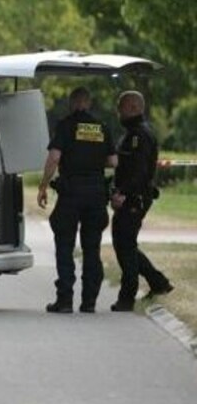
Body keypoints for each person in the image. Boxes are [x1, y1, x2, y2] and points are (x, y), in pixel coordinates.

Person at [38, 87, 117, 314]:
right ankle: (89, 301)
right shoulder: (102, 127)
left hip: (71, 193)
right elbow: (113, 161)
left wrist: (44, 185)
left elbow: (54, 157)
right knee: (92, 249)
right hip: (95, 194)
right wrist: (91, 162)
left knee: (65, 245)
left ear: (72, 103)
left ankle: (64, 301)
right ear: (88, 103)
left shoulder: (66, 125)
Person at [109, 90, 173, 312]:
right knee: (126, 244)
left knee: (125, 245)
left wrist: (122, 193)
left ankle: (127, 298)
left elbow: (138, 171)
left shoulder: (139, 135)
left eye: (122, 106)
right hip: (131, 196)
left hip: (134, 198)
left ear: (135, 107)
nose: (118, 110)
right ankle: (159, 283)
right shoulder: (131, 133)